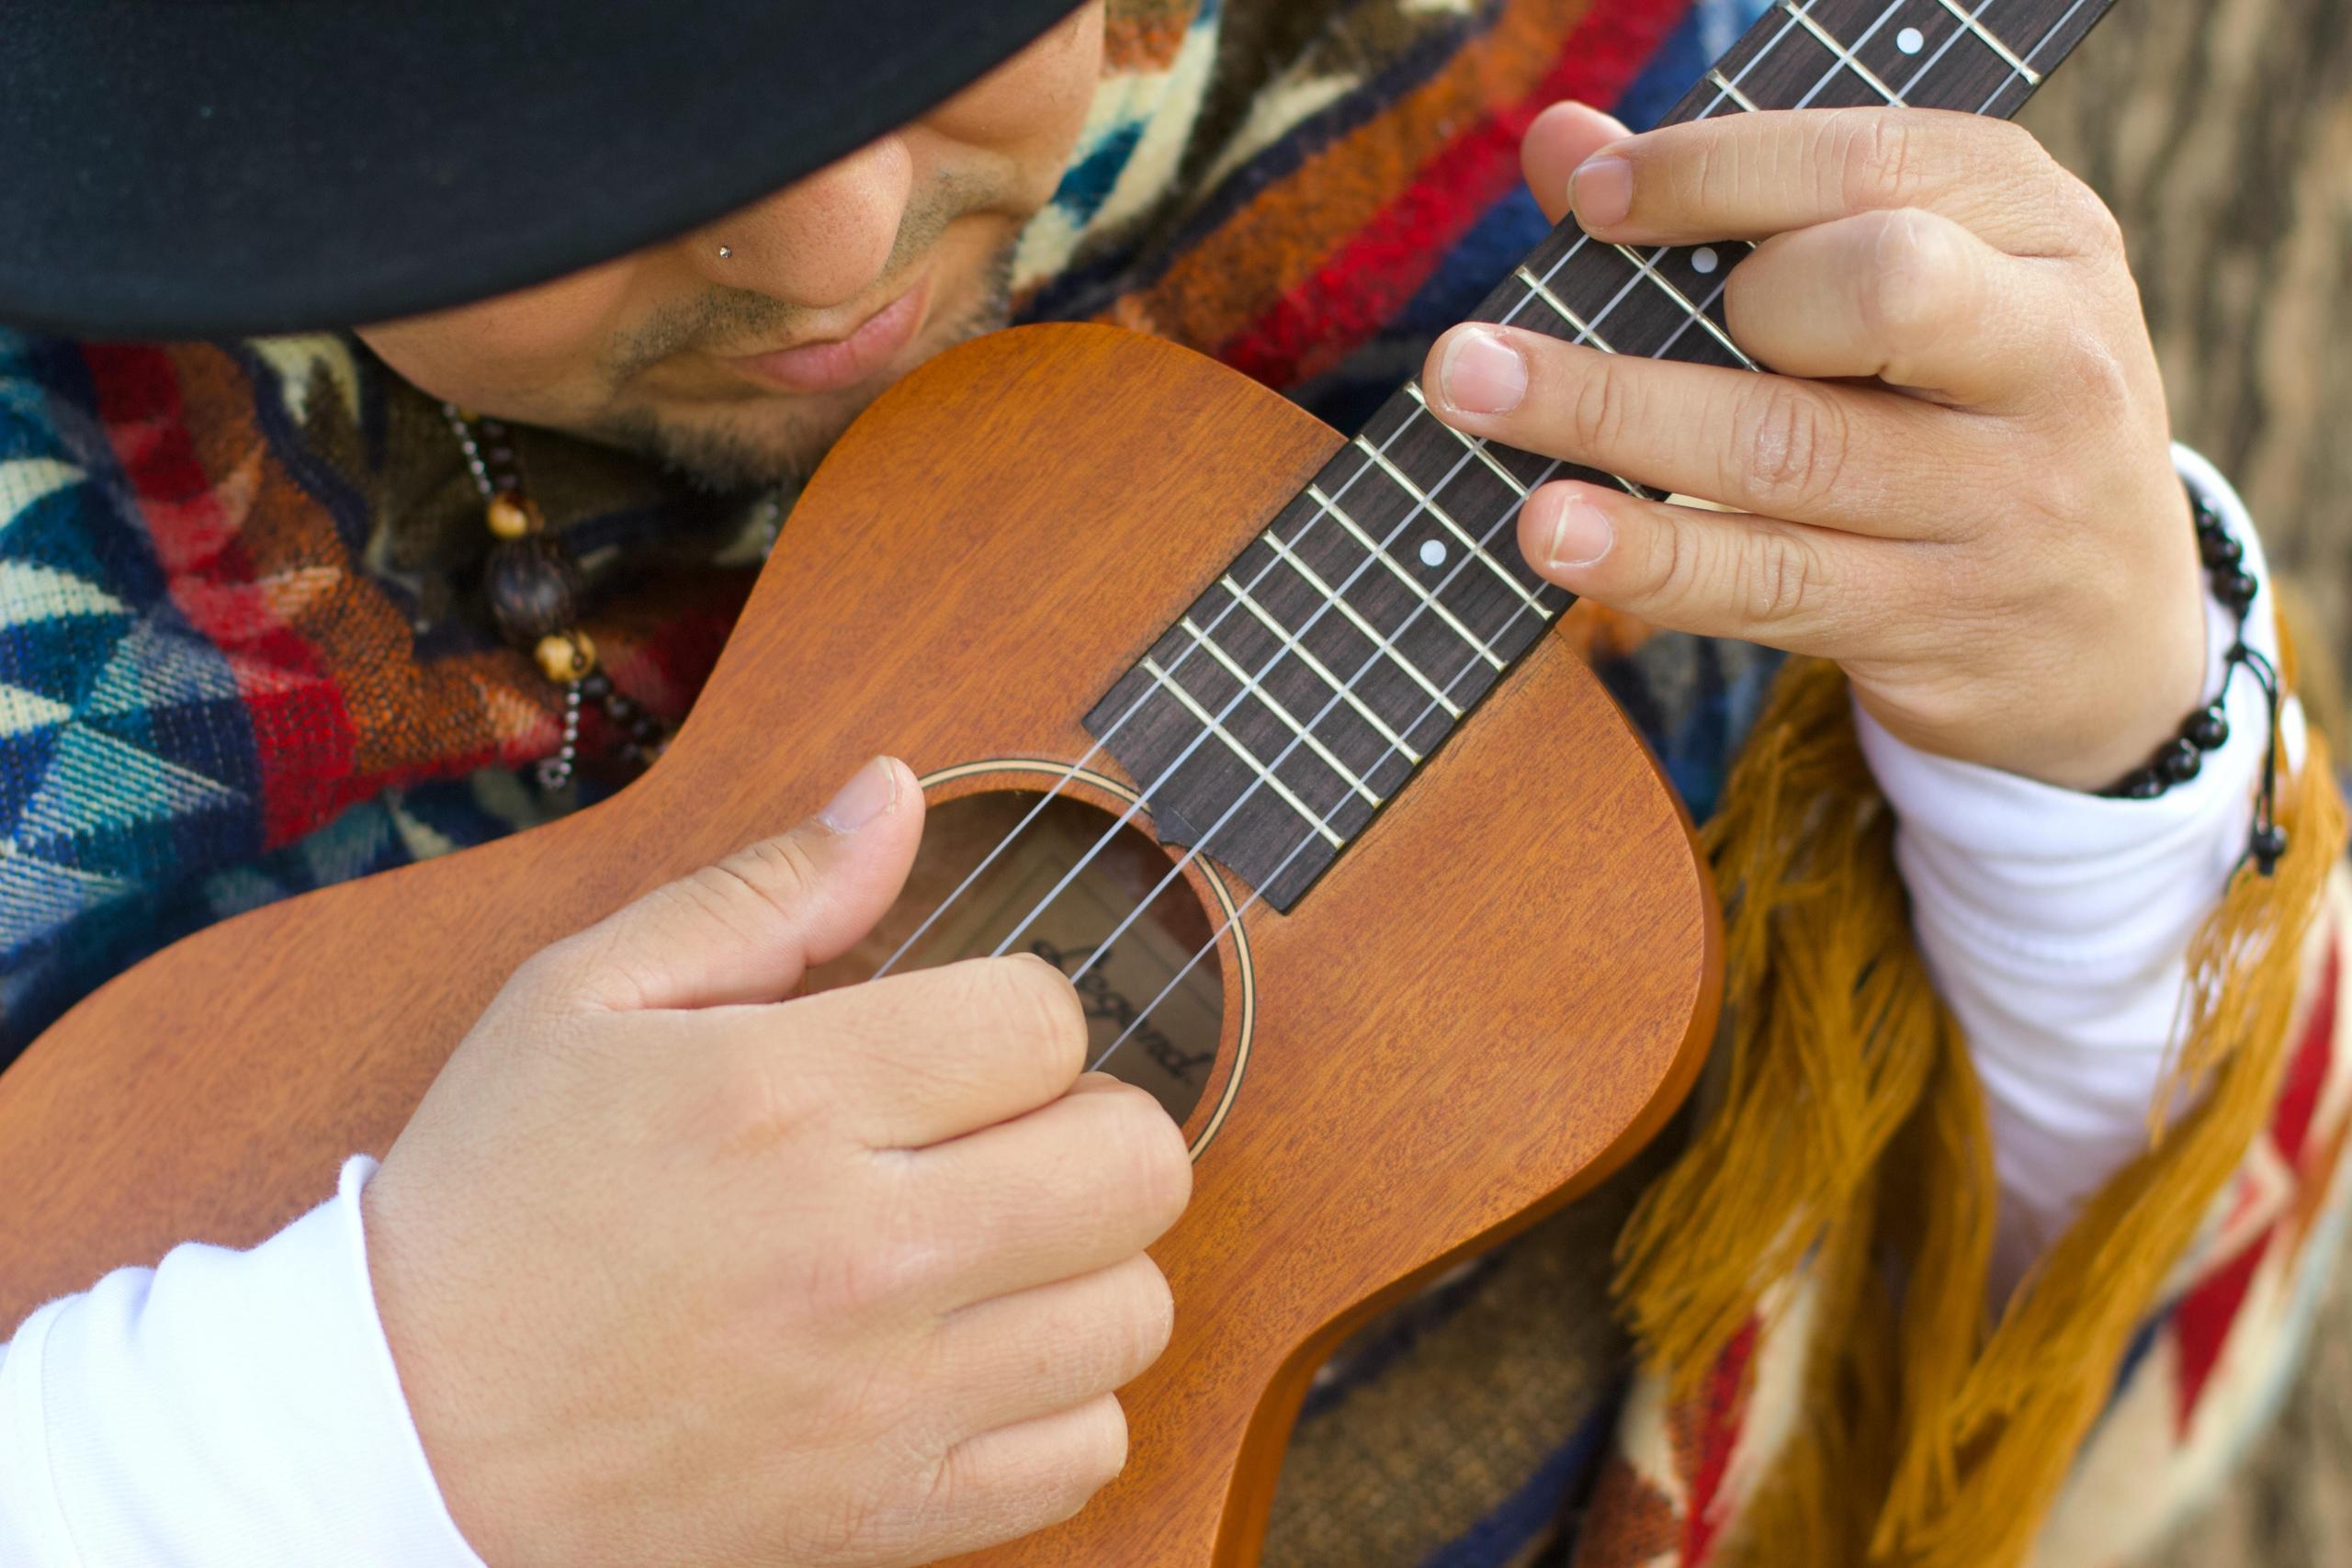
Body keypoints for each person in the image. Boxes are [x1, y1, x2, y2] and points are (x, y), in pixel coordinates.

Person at [0, 1, 2342, 1564]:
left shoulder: (1559, 100)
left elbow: (1969, 1317)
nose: (832, 236)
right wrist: (362, 1421)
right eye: (551, 118)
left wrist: (2091, 736)